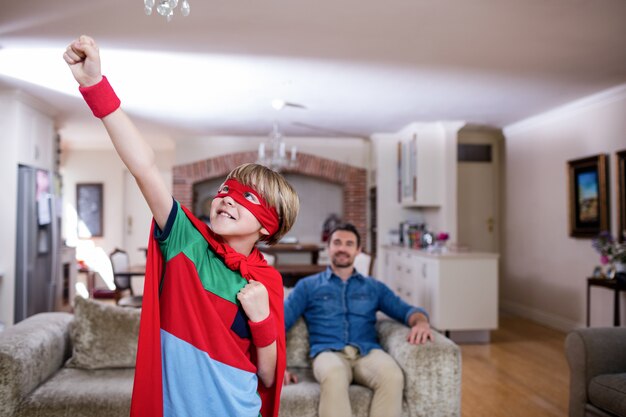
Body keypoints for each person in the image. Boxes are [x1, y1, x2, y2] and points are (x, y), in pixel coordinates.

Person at [63, 35, 300, 417]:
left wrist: (260, 319)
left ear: (268, 229)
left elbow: (269, 377)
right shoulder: (185, 239)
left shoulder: (267, 283)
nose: (226, 198)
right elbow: (144, 168)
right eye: (226, 190)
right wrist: (94, 86)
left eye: (248, 198)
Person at [283, 223, 432, 417]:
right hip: (328, 353)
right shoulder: (307, 286)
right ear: (328, 248)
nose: (342, 248)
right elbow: (280, 322)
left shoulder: (374, 287)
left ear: (358, 250)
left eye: (349, 244)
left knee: (392, 376)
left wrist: (421, 322)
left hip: (367, 352)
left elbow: (407, 310)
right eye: (337, 243)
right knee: (334, 375)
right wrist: (278, 365)